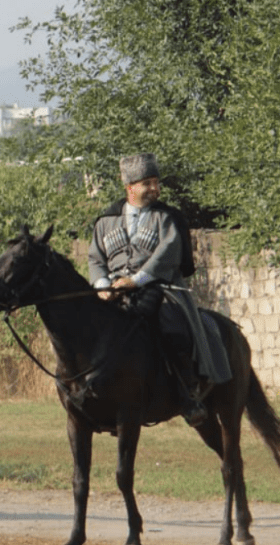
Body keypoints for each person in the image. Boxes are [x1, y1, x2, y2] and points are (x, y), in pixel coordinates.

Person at [88, 153, 230, 426]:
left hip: (161, 287)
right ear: (130, 187)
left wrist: (137, 280)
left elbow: (168, 254)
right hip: (114, 291)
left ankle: (188, 393)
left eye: (156, 182)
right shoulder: (106, 220)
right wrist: (103, 285)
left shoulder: (167, 218)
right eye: (147, 183)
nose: (155, 188)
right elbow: (95, 258)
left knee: (172, 329)